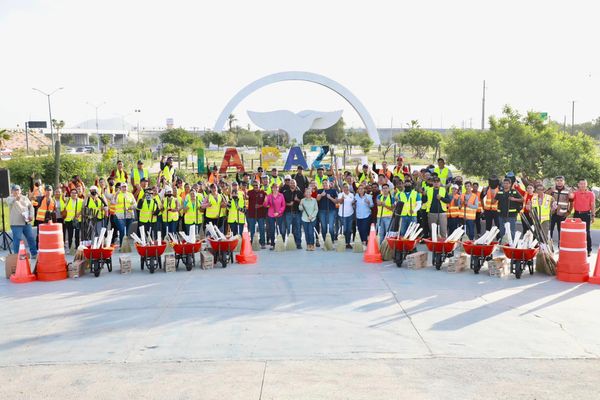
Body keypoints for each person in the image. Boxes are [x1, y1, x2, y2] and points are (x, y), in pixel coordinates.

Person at [6, 185, 37, 258]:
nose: (17, 191)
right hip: (16, 224)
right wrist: (16, 198)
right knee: (17, 240)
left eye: (18, 190)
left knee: (31, 238)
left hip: (26, 222)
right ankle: (17, 256)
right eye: (15, 190)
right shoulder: (9, 198)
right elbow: (10, 202)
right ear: (12, 191)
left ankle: (34, 254)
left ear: (20, 191)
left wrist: (31, 215)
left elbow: (31, 207)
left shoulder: (25, 198)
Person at [570, 179, 595, 256]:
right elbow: (570, 199)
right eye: (581, 184)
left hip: (586, 214)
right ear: (578, 184)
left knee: (586, 232)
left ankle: (589, 250)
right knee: (576, 232)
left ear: (586, 184)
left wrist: (593, 215)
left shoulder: (591, 194)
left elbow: (593, 205)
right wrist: (570, 192)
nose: (583, 185)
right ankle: (577, 249)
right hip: (577, 214)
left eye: (584, 184)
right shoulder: (575, 193)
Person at [496, 178, 523, 242]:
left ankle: (511, 244)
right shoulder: (500, 192)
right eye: (504, 183)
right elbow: (493, 201)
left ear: (510, 184)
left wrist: (514, 199)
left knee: (511, 231)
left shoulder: (514, 191)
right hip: (501, 215)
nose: (505, 185)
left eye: (507, 183)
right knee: (502, 230)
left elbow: (522, 199)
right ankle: (502, 243)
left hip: (511, 216)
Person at [547, 176, 572, 241]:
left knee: (561, 231)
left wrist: (569, 212)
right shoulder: (551, 189)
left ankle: (560, 246)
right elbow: (546, 198)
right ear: (555, 182)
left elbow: (572, 203)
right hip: (552, 213)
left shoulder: (568, 191)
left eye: (561, 181)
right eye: (557, 181)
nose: (559, 182)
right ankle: (549, 245)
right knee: (550, 230)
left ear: (564, 182)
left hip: (562, 214)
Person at [282, 179, 303, 249]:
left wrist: (298, 200)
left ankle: (298, 243)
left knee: (298, 229)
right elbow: (282, 203)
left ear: (296, 184)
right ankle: (291, 243)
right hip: (288, 213)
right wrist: (288, 204)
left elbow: (303, 203)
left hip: (297, 213)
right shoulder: (285, 193)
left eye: (294, 183)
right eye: (291, 183)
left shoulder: (299, 193)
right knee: (289, 229)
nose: (292, 184)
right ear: (289, 184)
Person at [263, 184, 285, 250]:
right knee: (272, 229)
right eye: (273, 188)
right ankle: (272, 244)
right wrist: (265, 200)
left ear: (278, 188)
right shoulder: (269, 196)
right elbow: (265, 205)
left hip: (279, 215)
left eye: (276, 187)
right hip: (271, 215)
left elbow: (283, 205)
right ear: (272, 188)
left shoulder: (281, 195)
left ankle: (279, 243)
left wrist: (278, 212)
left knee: (279, 229)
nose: (275, 189)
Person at [247, 181, 267, 249]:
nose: (255, 186)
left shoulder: (263, 193)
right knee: (252, 229)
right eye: (254, 185)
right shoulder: (249, 192)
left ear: (259, 185)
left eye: (257, 185)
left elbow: (266, 203)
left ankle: (262, 243)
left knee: (262, 229)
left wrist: (260, 205)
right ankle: (253, 242)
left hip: (261, 214)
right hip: (251, 214)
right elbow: (246, 200)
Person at [337, 183, 355, 248]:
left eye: (347, 187)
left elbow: (353, 203)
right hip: (342, 214)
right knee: (344, 229)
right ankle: (343, 242)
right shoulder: (340, 194)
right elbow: (339, 202)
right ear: (342, 188)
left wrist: (353, 203)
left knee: (349, 229)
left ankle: (348, 243)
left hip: (350, 214)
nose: (345, 188)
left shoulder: (351, 195)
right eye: (344, 187)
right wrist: (342, 199)